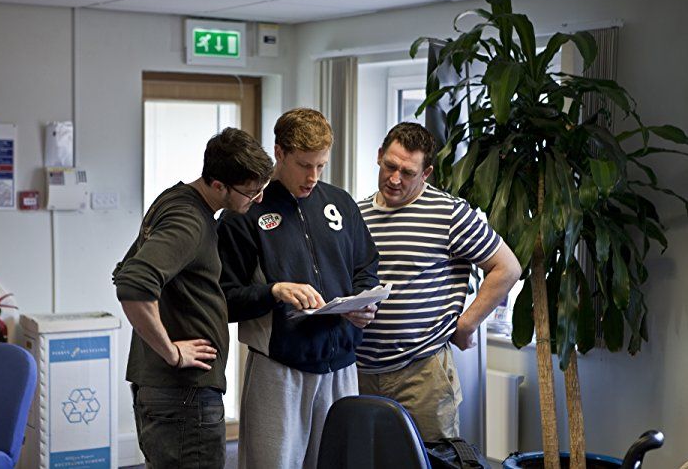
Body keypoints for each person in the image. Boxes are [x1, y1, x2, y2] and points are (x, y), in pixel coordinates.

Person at [217, 108, 380, 469]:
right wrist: (273, 290)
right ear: (279, 153)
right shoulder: (245, 213)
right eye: (305, 165)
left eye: (321, 165)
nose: (313, 177)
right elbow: (224, 299)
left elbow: (366, 265)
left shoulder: (340, 202)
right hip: (280, 368)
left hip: (341, 367)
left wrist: (365, 301)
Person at [112, 128, 273, 469]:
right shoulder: (190, 221)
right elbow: (132, 283)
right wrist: (172, 352)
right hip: (183, 394)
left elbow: (125, 268)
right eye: (250, 192)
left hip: (170, 392)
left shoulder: (175, 200)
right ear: (218, 185)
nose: (258, 200)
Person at [356, 122, 521, 443]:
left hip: (421, 374)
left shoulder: (450, 214)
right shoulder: (357, 214)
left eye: (408, 172)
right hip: (360, 371)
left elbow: (507, 267)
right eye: (390, 166)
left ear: (426, 173)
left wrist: (467, 324)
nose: (395, 179)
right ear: (379, 156)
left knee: (431, 461)